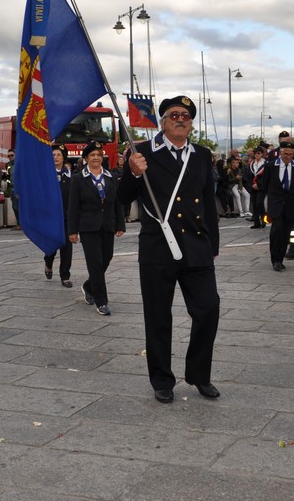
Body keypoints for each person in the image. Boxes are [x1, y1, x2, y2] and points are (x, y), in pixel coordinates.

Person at [117, 95, 221, 404]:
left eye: (186, 115)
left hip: (196, 248)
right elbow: (122, 197)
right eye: (174, 114)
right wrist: (132, 172)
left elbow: (209, 203)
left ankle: (199, 375)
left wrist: (212, 244)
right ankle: (162, 379)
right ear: (163, 121)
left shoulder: (202, 155)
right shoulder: (143, 153)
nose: (180, 119)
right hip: (158, 248)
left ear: (191, 123)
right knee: (158, 316)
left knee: (208, 309)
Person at [68, 142, 125, 315]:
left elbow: (117, 202)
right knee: (96, 263)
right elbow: (73, 206)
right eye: (92, 155)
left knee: (106, 258)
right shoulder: (78, 178)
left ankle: (88, 286)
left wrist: (120, 224)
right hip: (88, 226)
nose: (96, 158)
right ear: (85, 158)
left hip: (107, 223)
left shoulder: (111, 177)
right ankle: (101, 301)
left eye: (99, 155)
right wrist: (72, 230)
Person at [262, 140, 294, 272]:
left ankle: (281, 258)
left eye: (291, 154)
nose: (288, 157)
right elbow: (265, 185)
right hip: (276, 204)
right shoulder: (270, 166)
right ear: (280, 153)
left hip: (290, 204)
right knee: (276, 230)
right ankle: (275, 259)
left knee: (285, 233)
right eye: (286, 154)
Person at [44, 145, 73, 288]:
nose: (55, 157)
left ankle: (65, 276)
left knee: (67, 248)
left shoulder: (70, 176)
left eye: (58, 155)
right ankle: (48, 262)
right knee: (52, 246)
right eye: (53, 155)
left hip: (67, 217)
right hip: (51, 217)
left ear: (63, 157)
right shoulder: (46, 175)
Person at [248, 147, 267, 229]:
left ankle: (264, 220)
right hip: (253, 187)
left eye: (258, 153)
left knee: (259, 203)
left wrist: (258, 185)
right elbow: (248, 176)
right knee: (254, 204)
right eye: (255, 153)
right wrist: (252, 184)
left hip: (262, 187)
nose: (257, 155)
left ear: (262, 154)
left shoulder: (265, 164)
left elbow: (266, 177)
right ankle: (256, 222)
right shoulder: (252, 164)